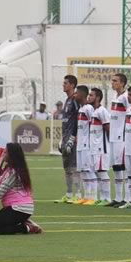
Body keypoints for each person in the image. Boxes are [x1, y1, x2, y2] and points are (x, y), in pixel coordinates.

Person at [106, 73, 130, 207]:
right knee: (116, 167)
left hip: (122, 136)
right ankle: (118, 197)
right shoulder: (114, 96)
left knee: (123, 167)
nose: (112, 83)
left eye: (115, 81)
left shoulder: (126, 97)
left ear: (122, 83)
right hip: (113, 137)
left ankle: (126, 198)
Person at [56, 74, 79, 203]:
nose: (63, 85)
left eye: (65, 83)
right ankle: (69, 194)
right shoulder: (67, 100)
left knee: (74, 168)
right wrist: (62, 139)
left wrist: (73, 137)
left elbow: (78, 119)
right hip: (65, 138)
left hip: (72, 139)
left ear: (72, 85)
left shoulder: (75, 100)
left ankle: (78, 194)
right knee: (67, 168)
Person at [89, 88, 112, 206]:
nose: (89, 97)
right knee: (98, 172)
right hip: (95, 147)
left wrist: (108, 145)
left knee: (102, 171)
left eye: (91, 95)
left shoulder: (102, 111)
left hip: (101, 147)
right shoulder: (94, 111)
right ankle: (102, 197)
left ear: (97, 98)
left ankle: (107, 198)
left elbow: (108, 128)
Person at [74, 85, 95, 205]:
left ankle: (92, 197)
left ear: (82, 94)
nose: (75, 95)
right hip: (80, 144)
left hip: (87, 144)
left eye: (77, 93)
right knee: (82, 170)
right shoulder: (81, 109)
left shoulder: (88, 109)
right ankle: (86, 196)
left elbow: (94, 125)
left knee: (88, 170)